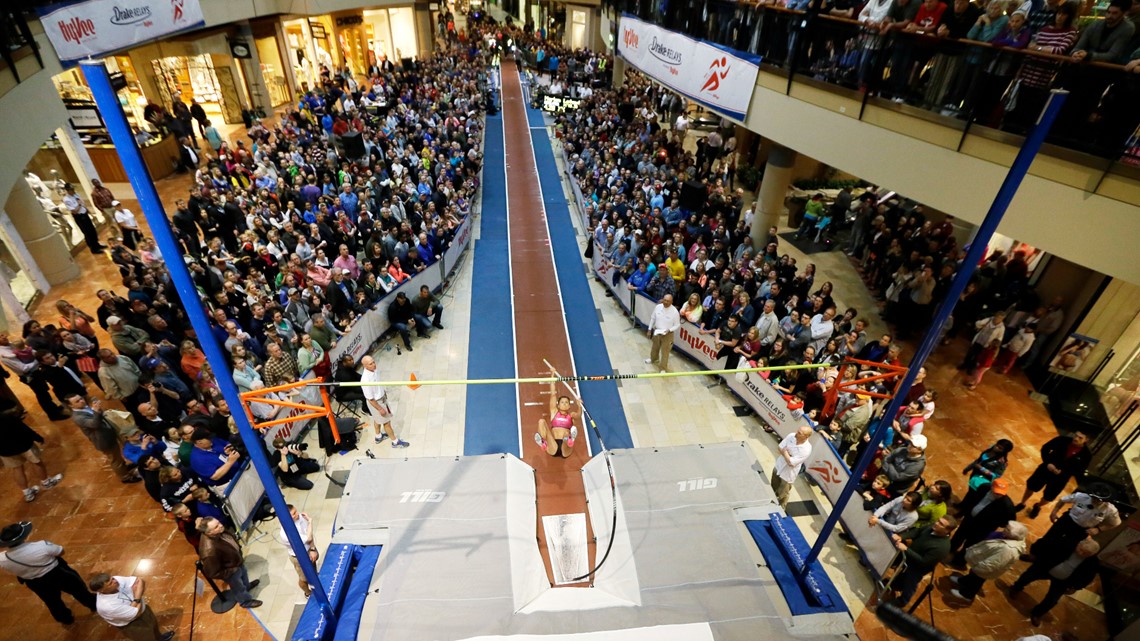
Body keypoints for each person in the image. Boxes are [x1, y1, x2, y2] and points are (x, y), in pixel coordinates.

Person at [0, 521, 96, 625]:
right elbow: (60, 551)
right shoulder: (40, 546)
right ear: (23, 537)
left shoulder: (2, 558)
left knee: (52, 601)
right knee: (78, 589)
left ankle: (65, 618)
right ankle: (92, 604)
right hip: (58, 574)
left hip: (35, 583)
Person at [1010, 538, 1101, 626]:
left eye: (1085, 553)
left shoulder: (1093, 562)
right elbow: (1042, 543)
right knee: (1027, 577)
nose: (1081, 553)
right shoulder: (1067, 542)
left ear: (1091, 554)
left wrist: (1075, 587)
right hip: (1046, 567)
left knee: (1052, 600)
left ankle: (1037, 614)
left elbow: (1087, 577)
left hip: (1064, 581)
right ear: (1079, 544)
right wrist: (1034, 554)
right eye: (1081, 550)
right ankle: (1016, 588)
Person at [1015, 431, 1090, 519]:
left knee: (1049, 497)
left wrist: (1062, 472)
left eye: (1080, 438)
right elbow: (1045, 448)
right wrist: (1048, 463)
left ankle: (1038, 506)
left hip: (1060, 478)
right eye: (1076, 435)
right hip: (1045, 469)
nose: (1076, 438)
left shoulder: (1087, 455)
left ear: (1086, 440)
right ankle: (1022, 503)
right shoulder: (1062, 440)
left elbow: (1079, 470)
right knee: (1031, 486)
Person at [950, 521, 1028, 603]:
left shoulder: (1008, 549)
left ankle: (966, 595)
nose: (1004, 529)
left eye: (1007, 529)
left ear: (1014, 535)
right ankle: (964, 581)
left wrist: (977, 568)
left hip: (984, 568)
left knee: (976, 581)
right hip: (982, 561)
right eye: (1006, 527)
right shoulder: (1010, 538)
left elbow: (993, 564)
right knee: (973, 576)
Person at [889, 515, 958, 605]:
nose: (936, 523)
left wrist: (906, 549)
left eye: (941, 524)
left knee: (910, 583)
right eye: (938, 520)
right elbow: (917, 532)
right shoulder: (933, 527)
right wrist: (902, 537)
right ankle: (895, 585)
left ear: (947, 531)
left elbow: (923, 561)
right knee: (903, 574)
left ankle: (903, 601)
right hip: (911, 555)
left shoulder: (942, 547)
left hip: (918, 568)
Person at [1, 400, 61, 502]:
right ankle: (46, 482)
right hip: (23, 445)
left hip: (5, 450)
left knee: (17, 469)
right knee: (36, 462)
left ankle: (27, 493)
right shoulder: (9, 418)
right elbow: (24, 430)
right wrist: (38, 438)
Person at [196, 517, 262, 609]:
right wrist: (232, 570)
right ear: (209, 533)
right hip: (231, 572)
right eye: (216, 526)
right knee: (238, 588)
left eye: (218, 522)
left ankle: (247, 587)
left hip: (236, 562)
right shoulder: (209, 551)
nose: (221, 525)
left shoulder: (219, 532)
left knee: (244, 576)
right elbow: (212, 572)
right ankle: (245, 601)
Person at [89, 573, 175, 641]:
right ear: (101, 590)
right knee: (147, 638)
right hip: (133, 625)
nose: (115, 581)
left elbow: (140, 581)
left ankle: (160, 639)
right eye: (110, 583)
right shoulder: (107, 606)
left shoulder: (116, 580)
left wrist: (135, 602)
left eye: (113, 579)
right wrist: (137, 596)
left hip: (144, 610)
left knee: (154, 626)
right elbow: (136, 613)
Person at [360, 355, 410, 448]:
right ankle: (395, 442)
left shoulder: (374, 370)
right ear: (365, 366)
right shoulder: (365, 380)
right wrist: (380, 409)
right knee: (387, 423)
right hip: (376, 403)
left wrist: (383, 393)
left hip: (382, 398)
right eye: (371, 364)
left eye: (374, 362)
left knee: (377, 419)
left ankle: (378, 436)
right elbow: (370, 399)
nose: (374, 365)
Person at [534, 371, 580, 458]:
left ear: (569, 406)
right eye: (562, 402)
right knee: (541, 421)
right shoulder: (554, 413)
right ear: (558, 405)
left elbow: (578, 415)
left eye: (567, 402)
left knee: (567, 434)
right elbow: (553, 394)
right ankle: (542, 441)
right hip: (552, 446)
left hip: (565, 446)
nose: (564, 404)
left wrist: (579, 406)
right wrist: (552, 375)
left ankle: (570, 439)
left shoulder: (572, 415)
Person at [277, 505, 319, 597]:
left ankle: (315, 579)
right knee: (304, 578)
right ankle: (307, 592)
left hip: (308, 549)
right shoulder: (286, 533)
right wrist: (310, 521)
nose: (297, 514)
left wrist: (312, 549)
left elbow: (308, 532)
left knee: (313, 567)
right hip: (299, 557)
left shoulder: (299, 517)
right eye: (294, 514)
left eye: (296, 511)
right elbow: (308, 537)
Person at [771, 425, 814, 509]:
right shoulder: (791, 436)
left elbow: (791, 463)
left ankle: (782, 509)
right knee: (773, 486)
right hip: (778, 466)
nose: (796, 433)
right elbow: (780, 447)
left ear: (806, 436)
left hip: (788, 474)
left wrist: (785, 452)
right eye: (798, 431)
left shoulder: (806, 449)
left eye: (799, 433)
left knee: (783, 493)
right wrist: (788, 455)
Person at [61, 184, 105, 254]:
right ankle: (94, 249)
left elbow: (83, 205)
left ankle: (97, 244)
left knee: (92, 230)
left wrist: (89, 212)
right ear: (68, 190)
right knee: (87, 233)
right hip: (79, 217)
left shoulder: (76, 195)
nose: (73, 191)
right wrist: (79, 204)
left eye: (73, 189)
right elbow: (74, 211)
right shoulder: (66, 200)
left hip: (85, 214)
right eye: (71, 190)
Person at [645, 294, 681, 373]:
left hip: (667, 334)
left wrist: (670, 330)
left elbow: (677, 324)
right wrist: (649, 329)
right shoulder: (658, 307)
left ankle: (663, 368)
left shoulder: (674, 312)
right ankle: (653, 359)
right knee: (655, 347)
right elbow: (653, 318)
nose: (665, 302)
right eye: (664, 300)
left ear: (671, 302)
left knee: (665, 352)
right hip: (657, 331)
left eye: (668, 301)